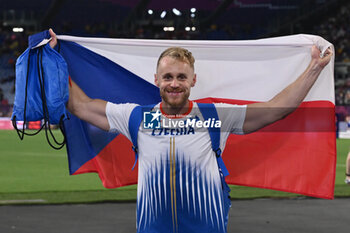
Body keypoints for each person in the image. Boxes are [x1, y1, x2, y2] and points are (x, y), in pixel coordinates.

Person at [49, 29, 332, 233]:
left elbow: (275, 109)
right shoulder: (136, 117)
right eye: (168, 77)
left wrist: (314, 70)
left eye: (181, 77)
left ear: (193, 80)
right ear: (156, 80)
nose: (174, 84)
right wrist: (51, 62)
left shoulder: (214, 116)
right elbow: (82, 106)